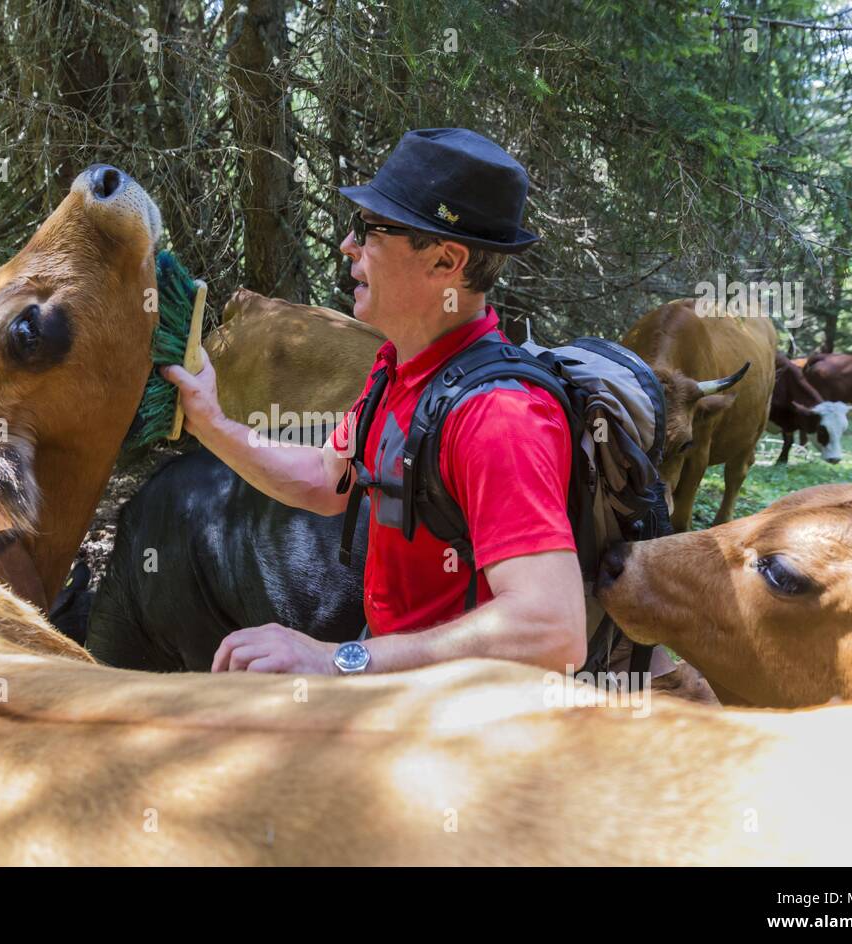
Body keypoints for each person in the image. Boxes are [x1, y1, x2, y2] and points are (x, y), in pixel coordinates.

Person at [161, 127, 585, 676]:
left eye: (371, 230)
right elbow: (326, 478)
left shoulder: (498, 418)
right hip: (400, 689)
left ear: (444, 262)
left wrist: (338, 659)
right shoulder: (399, 369)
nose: (348, 246)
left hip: (464, 724)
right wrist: (211, 422)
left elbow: (553, 631)